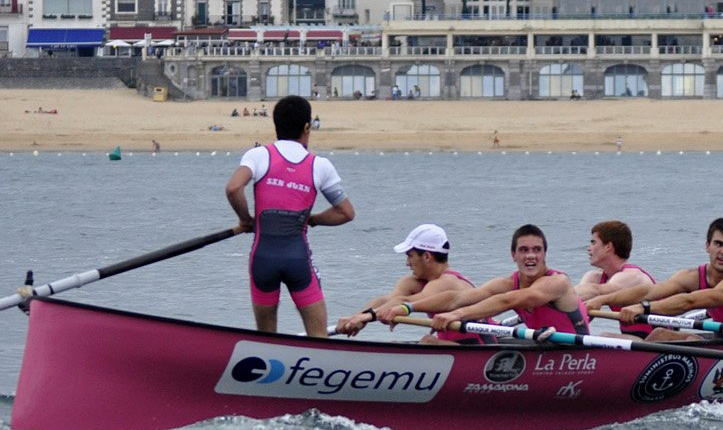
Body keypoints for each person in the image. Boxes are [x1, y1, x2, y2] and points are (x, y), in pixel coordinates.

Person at [224, 95, 355, 336]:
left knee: (266, 339)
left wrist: (246, 219)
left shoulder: (258, 155)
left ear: (276, 125)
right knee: (318, 338)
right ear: (307, 127)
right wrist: (311, 219)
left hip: (262, 259)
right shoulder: (320, 165)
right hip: (298, 260)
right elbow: (346, 213)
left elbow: (233, 188)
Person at [384, 224, 590, 337]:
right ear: (513, 255)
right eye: (523, 250)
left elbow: (509, 301)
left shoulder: (557, 282)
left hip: (577, 356)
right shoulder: (507, 283)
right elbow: (458, 299)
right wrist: (407, 308)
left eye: (537, 250)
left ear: (545, 254)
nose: (531, 256)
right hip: (544, 348)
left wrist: (457, 315)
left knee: (429, 343)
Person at [613, 217, 723, 342]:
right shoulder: (695, 275)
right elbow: (651, 291)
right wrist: (602, 300)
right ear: (707, 246)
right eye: (719, 244)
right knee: (660, 334)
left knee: (686, 339)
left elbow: (690, 302)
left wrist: (643, 308)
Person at [335, 224, 479, 343]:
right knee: (396, 344)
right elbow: (386, 300)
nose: (407, 263)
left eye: (410, 256)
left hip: (477, 344)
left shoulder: (447, 282)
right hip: (451, 344)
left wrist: (369, 316)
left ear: (427, 257)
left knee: (428, 341)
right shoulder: (414, 281)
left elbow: (406, 302)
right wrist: (358, 318)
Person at [576, 220, 657, 337]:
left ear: (608, 246)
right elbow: (577, 306)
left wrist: (560, 296)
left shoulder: (632, 276)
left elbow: (597, 290)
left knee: (603, 336)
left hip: (656, 339)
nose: (588, 248)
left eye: (593, 243)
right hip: (632, 338)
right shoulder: (594, 277)